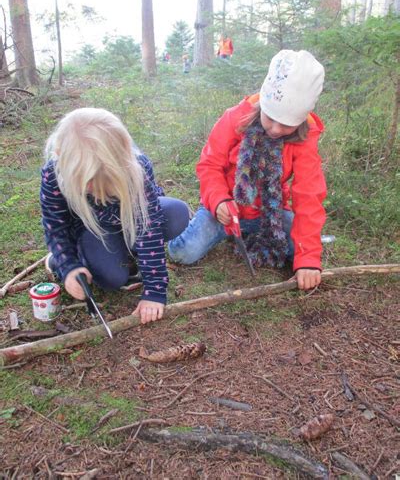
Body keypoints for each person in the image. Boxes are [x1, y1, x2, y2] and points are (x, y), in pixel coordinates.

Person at [168, 49, 326, 291]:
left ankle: (258, 236)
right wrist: (219, 200)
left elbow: (309, 195)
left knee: (303, 254)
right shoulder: (235, 118)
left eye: (285, 124)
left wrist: (308, 261)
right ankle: (207, 228)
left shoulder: (305, 139)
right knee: (183, 253)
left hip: (270, 213)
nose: (274, 129)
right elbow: (209, 165)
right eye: (270, 117)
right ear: (262, 104)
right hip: (224, 212)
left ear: (300, 121)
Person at [40, 108, 190, 323]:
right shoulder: (54, 176)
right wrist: (69, 267)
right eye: (89, 187)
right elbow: (56, 227)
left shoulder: (138, 167)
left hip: (129, 220)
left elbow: (148, 227)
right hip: (93, 230)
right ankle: (66, 257)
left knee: (176, 213)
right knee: (112, 279)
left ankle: (125, 251)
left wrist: (155, 290)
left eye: (107, 187)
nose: (96, 192)